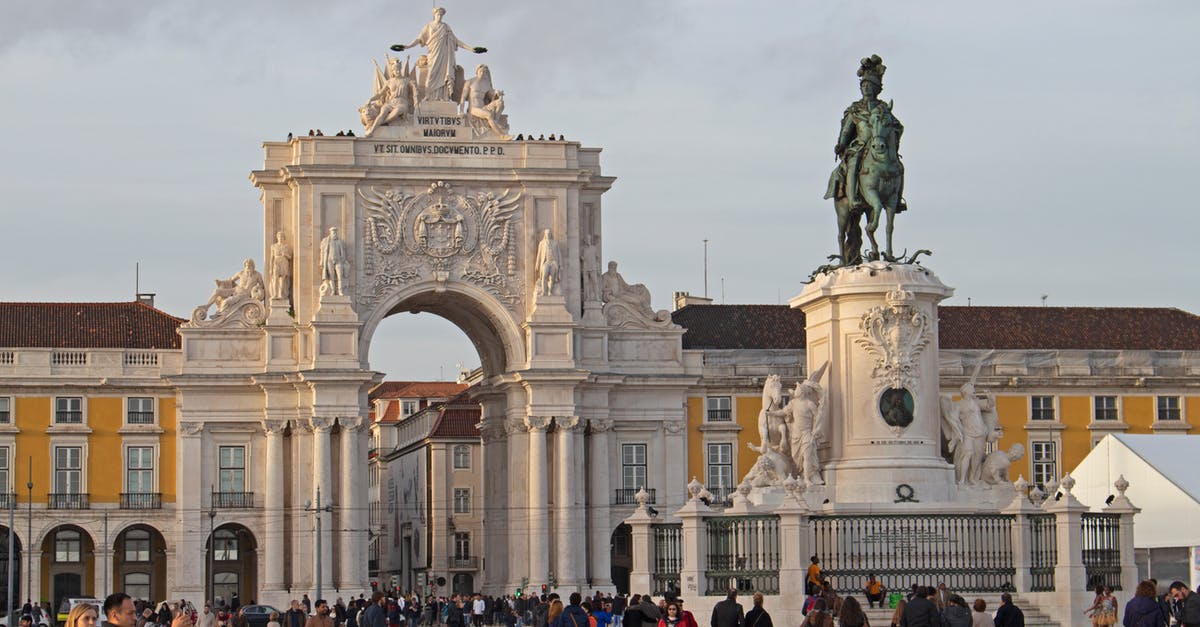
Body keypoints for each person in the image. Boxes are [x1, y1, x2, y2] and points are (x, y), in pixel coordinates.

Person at [398, 7, 485, 102]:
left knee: (444, 77)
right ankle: (428, 96)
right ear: (434, 15)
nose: (439, 16)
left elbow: (456, 41)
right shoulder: (429, 26)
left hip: (444, 57)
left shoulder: (445, 27)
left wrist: (471, 49)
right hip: (433, 55)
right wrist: (407, 46)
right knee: (431, 75)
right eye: (438, 14)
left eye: (441, 15)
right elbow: (419, 39)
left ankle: (444, 97)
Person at [319, 227, 349, 296]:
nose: (335, 234)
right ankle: (333, 291)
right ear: (331, 233)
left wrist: (342, 260)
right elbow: (323, 252)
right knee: (331, 277)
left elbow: (343, 252)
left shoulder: (339, 242)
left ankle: (340, 291)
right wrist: (322, 261)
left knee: (340, 276)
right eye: (333, 232)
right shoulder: (327, 241)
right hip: (329, 261)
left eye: (335, 232)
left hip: (338, 261)